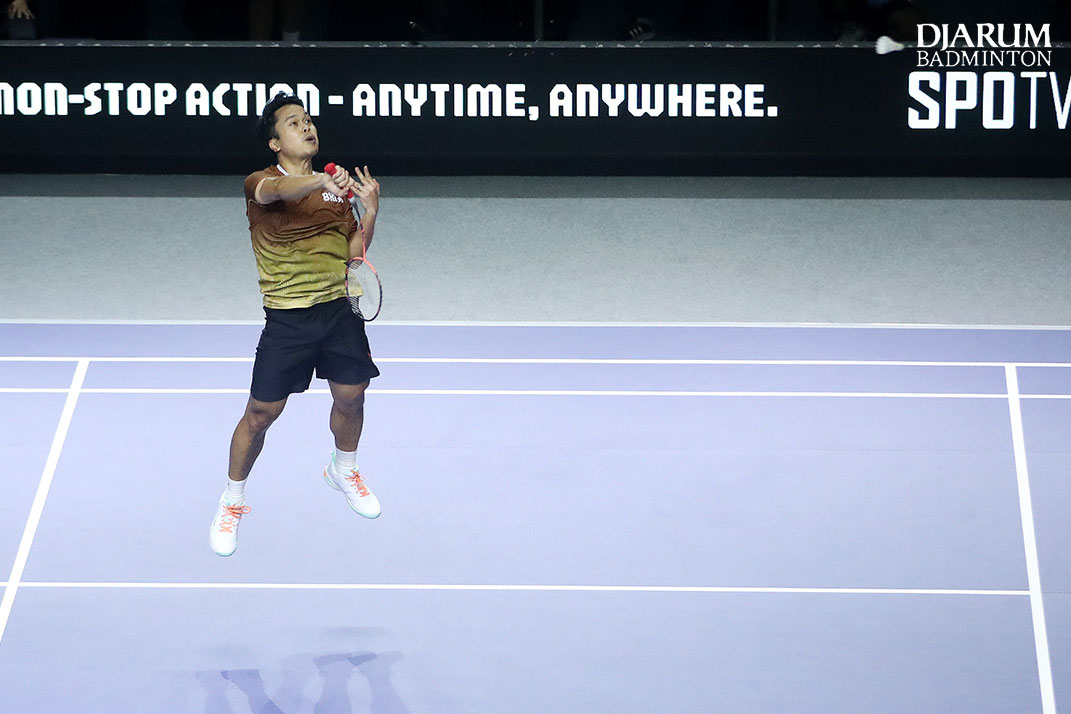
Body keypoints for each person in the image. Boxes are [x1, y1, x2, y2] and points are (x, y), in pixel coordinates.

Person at [210, 92, 382, 557]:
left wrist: (368, 210)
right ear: (274, 143)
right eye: (293, 123)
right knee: (261, 414)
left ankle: (343, 469)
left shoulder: (336, 194)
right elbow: (280, 192)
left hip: (338, 309)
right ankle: (232, 500)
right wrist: (321, 180)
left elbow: (355, 255)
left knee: (352, 395)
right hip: (288, 318)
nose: (307, 127)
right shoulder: (260, 182)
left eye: (308, 120)